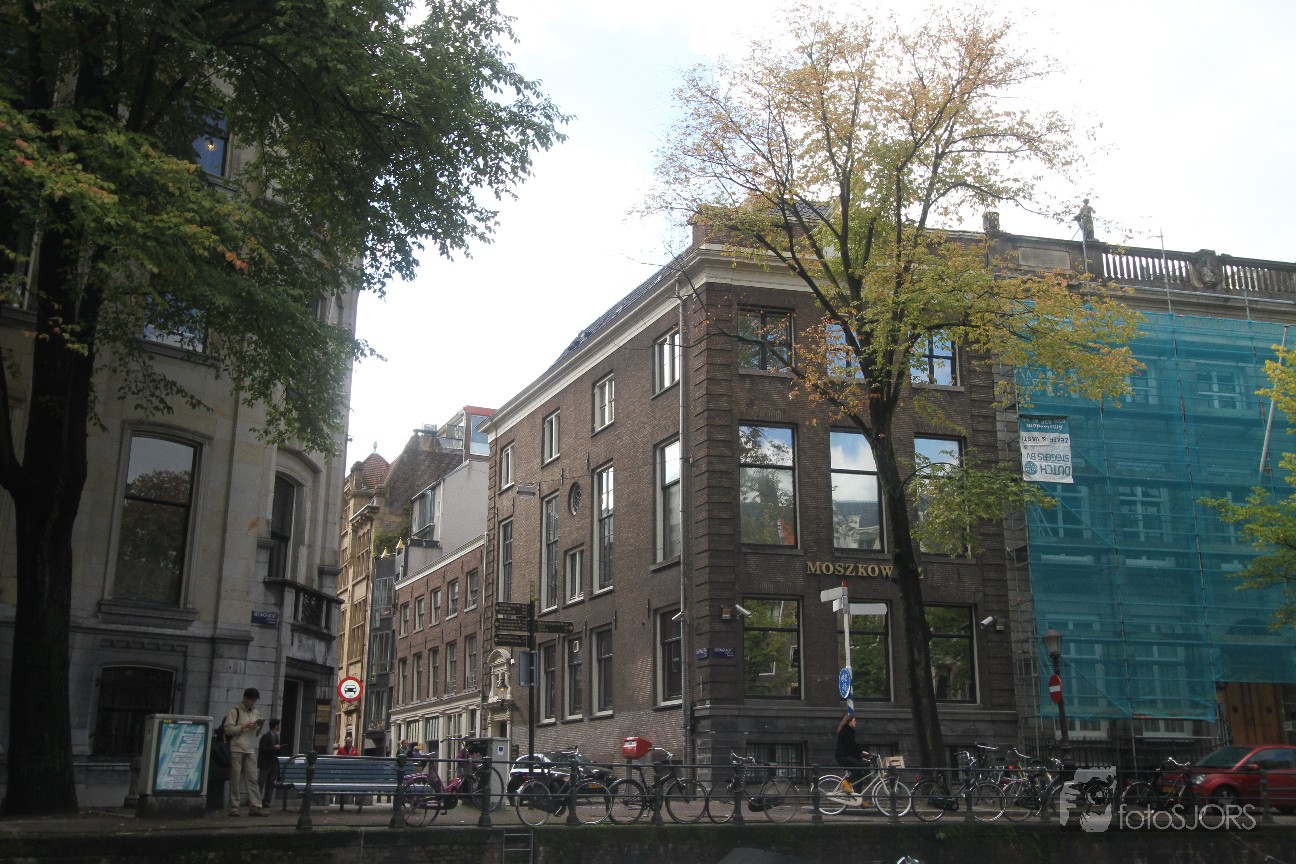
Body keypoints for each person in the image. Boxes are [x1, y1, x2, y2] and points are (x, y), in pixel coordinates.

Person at [223, 687, 268, 816]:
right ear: (245, 698)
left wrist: (259, 726)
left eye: (254, 700)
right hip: (237, 747)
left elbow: (256, 734)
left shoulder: (255, 712)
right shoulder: (235, 711)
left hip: (250, 748)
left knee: (252, 777)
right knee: (235, 778)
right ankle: (234, 807)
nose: (253, 703)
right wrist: (244, 726)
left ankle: (255, 806)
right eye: (251, 700)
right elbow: (228, 730)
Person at [834, 714, 871, 803]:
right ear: (849, 722)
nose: (855, 723)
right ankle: (846, 782)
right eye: (854, 721)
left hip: (846, 755)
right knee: (861, 767)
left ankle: (858, 799)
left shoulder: (849, 731)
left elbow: (851, 749)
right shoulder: (846, 731)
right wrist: (862, 752)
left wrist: (860, 758)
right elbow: (852, 746)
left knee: (860, 775)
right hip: (842, 756)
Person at [258, 718, 283, 808]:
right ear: (275, 726)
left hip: (273, 763)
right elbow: (263, 749)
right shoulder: (266, 736)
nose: (279, 727)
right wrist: (274, 748)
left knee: (271, 783)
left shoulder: (276, 736)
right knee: (261, 782)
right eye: (278, 725)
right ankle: (257, 800)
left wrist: (279, 749)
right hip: (265, 763)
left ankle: (267, 801)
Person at [206, 726, 231, 812]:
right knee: (216, 792)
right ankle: (215, 806)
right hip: (219, 771)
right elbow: (226, 758)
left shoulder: (215, 742)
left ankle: (214, 806)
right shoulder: (223, 744)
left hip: (215, 772)